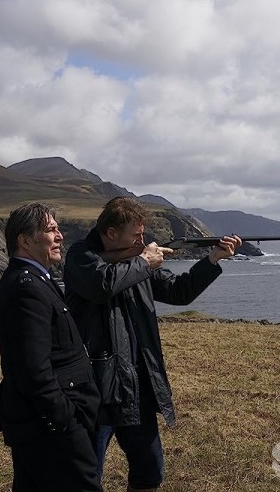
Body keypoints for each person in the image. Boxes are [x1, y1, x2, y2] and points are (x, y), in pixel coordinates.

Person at [63, 196, 241, 491]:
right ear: (111, 233)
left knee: (150, 471)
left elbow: (179, 292)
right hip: (94, 389)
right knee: (84, 477)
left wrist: (212, 259)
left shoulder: (137, 260)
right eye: (136, 234)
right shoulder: (81, 256)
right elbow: (102, 285)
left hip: (136, 385)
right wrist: (144, 260)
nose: (142, 239)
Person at [0, 202, 102, 492]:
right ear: (24, 240)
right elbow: (33, 369)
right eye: (50, 230)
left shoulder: (37, 280)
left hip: (40, 423)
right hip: (49, 427)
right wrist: (64, 419)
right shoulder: (27, 287)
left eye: (57, 228)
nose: (60, 235)